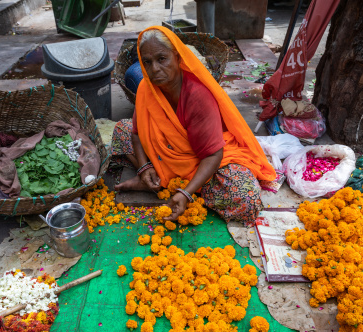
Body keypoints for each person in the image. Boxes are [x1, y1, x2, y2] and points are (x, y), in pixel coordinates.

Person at [112, 26, 276, 227]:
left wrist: (186, 193)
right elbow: (137, 133)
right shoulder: (147, 88)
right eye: (147, 62)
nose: (154, 69)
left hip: (202, 159)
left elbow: (213, 155)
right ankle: (155, 179)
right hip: (166, 156)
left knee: (245, 198)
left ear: (177, 58)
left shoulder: (197, 95)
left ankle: (171, 185)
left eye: (161, 59)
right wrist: (145, 166)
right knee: (122, 129)